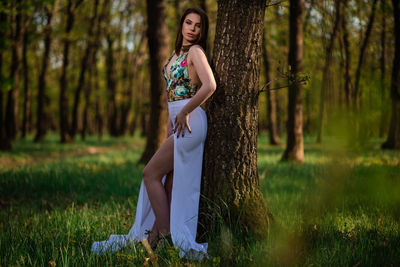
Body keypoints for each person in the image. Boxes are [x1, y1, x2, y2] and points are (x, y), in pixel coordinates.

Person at [91, 7, 216, 260]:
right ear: (181, 25)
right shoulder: (175, 54)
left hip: (191, 122)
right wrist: (172, 124)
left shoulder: (195, 52)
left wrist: (185, 113)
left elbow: (210, 85)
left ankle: (169, 236)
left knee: (149, 173)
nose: (192, 28)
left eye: (198, 25)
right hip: (178, 123)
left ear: (202, 31)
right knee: (168, 182)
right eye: (189, 22)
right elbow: (172, 96)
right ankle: (156, 238)